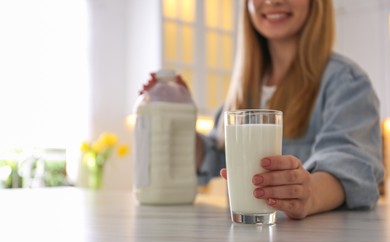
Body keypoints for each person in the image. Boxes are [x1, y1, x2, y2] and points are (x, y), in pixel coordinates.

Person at [145, 0, 385, 219]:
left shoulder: (346, 82)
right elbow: (215, 154)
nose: (272, 1)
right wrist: (176, 111)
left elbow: (351, 164)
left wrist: (308, 193)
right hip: (247, 241)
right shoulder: (243, 88)